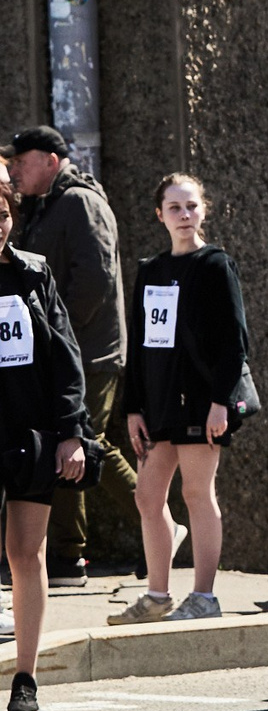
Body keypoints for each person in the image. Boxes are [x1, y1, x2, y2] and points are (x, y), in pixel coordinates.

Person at [112, 174, 248, 626]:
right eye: (175, 208)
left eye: (191, 206)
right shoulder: (151, 270)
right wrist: (133, 407)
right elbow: (140, 345)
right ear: (160, 215)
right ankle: (157, 594)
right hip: (159, 402)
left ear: (203, 210)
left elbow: (234, 341)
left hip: (202, 402)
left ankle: (205, 595)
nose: (184, 215)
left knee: (196, 491)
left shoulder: (215, 265)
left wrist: (220, 401)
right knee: (148, 496)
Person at [7, 125, 125, 587]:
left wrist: (55, 342)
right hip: (57, 356)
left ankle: (69, 557)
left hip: (89, 354)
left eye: (22, 160)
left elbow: (93, 282)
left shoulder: (79, 202)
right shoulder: (41, 207)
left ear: (51, 161)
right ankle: (159, 523)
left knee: (74, 445)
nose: (14, 169)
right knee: (88, 445)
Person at [0, 186, 88, 711]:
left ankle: (26, 679)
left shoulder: (33, 273)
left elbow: (65, 353)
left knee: (27, 553)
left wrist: (71, 432)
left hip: (28, 431)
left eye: (3, 213)